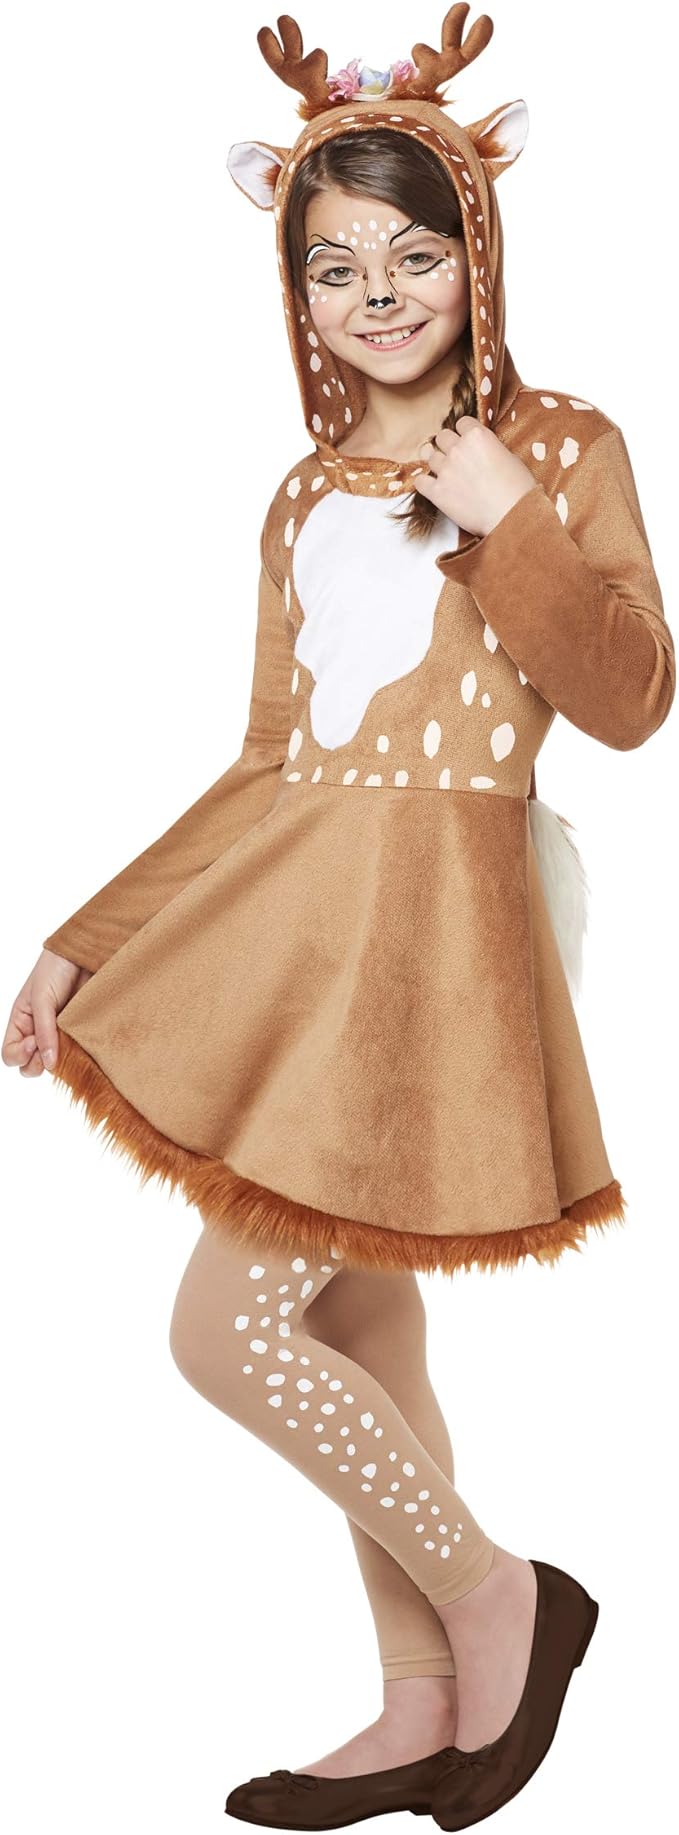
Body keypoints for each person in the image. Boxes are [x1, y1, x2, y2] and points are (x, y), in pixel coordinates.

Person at [3, 8, 674, 1828]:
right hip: (307, 946)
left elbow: (629, 700)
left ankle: (499, 1595)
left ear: (479, 249)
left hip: (439, 955)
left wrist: (509, 517)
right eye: (335, 267)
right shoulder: (304, 492)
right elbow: (266, 764)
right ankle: (423, 1699)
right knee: (365, 1333)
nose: (379, 295)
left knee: (223, 1334)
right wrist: (83, 936)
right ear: (294, 288)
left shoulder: (560, 447)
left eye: (414, 254)